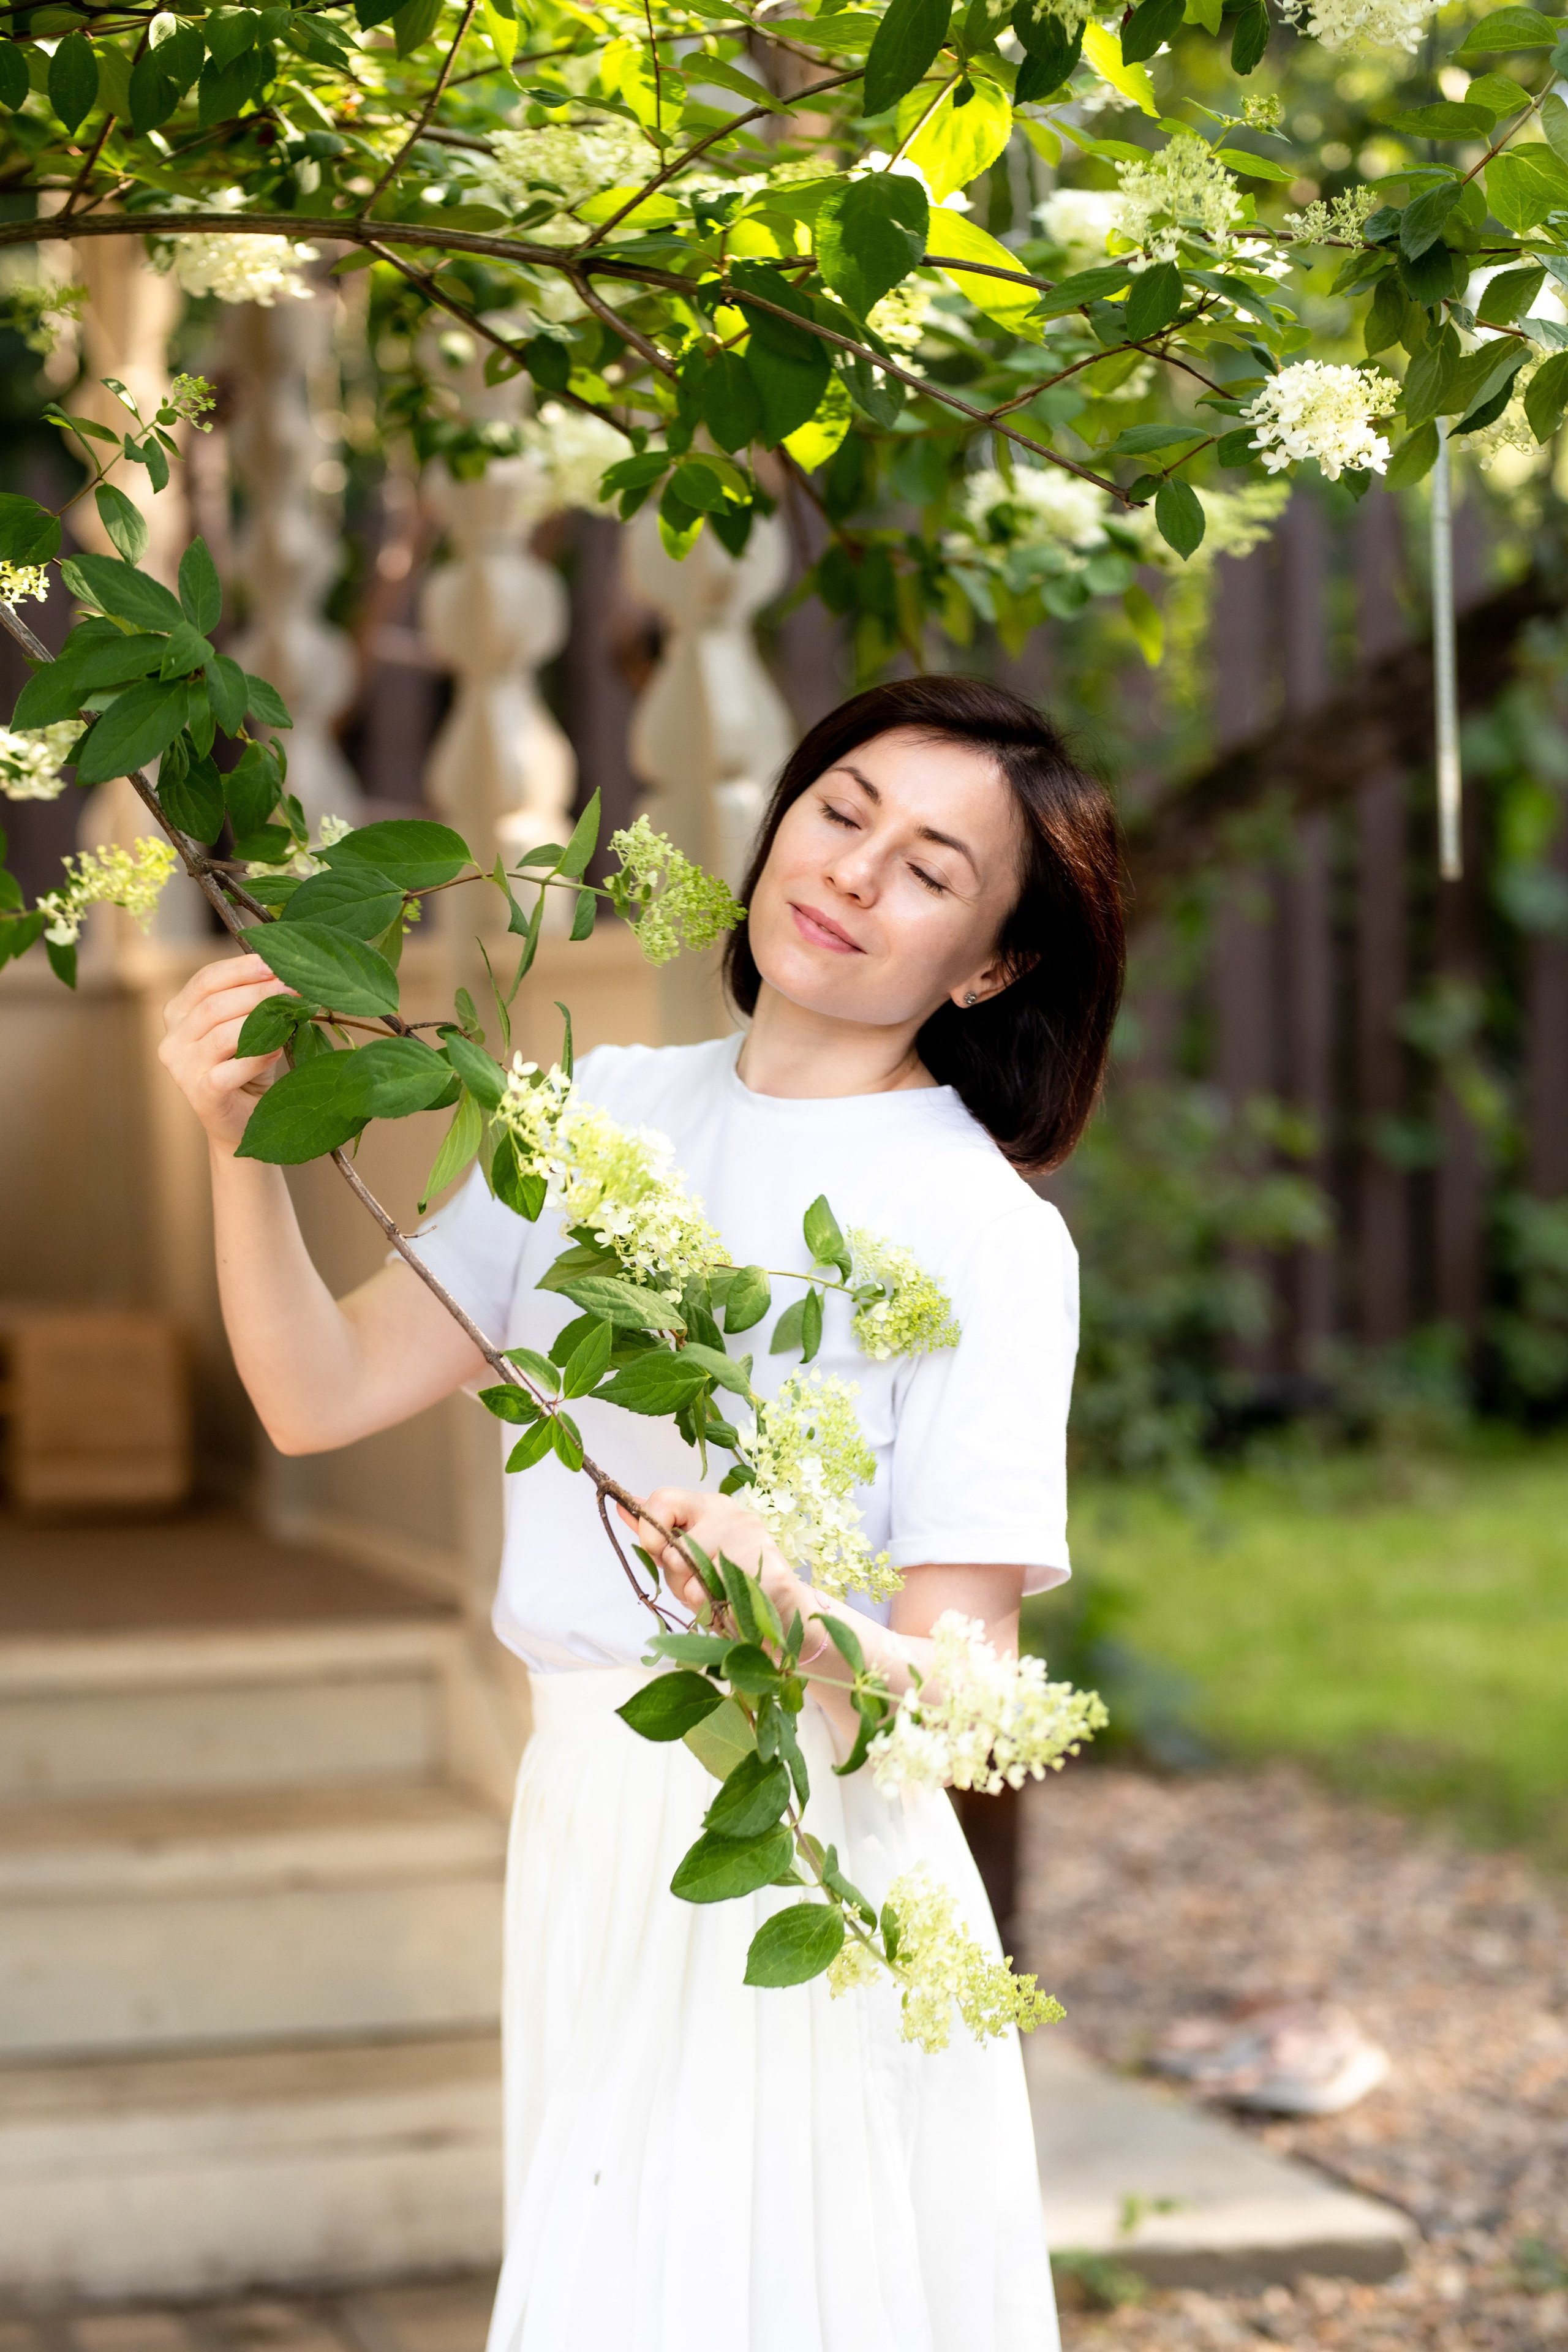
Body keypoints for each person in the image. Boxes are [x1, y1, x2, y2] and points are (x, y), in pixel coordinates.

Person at [158, 674, 1125, 2352]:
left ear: (989, 965)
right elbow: (315, 1402)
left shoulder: (984, 1234)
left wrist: (792, 1616)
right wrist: (240, 1143)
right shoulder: (597, 1117)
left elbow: (970, 1708)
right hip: (590, 1820)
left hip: (800, 1860)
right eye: (844, 811)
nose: (854, 871)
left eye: (930, 869)